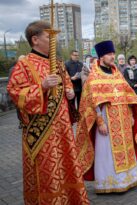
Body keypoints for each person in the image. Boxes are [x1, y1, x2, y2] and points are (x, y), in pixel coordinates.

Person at [7, 20, 89, 204]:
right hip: (42, 131)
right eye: (49, 37)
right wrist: (41, 86)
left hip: (63, 128)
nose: (55, 41)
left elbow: (67, 83)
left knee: (66, 165)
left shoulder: (58, 64)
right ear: (35, 39)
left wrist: (69, 93)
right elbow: (15, 93)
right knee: (48, 170)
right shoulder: (25, 65)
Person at [75, 40, 137, 193]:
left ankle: (128, 179)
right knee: (107, 152)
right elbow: (92, 102)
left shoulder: (116, 73)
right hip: (107, 120)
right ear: (101, 56)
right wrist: (100, 122)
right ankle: (110, 183)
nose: (112, 56)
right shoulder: (94, 76)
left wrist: (131, 114)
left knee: (126, 149)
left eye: (113, 53)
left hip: (123, 120)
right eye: (109, 54)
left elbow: (127, 94)